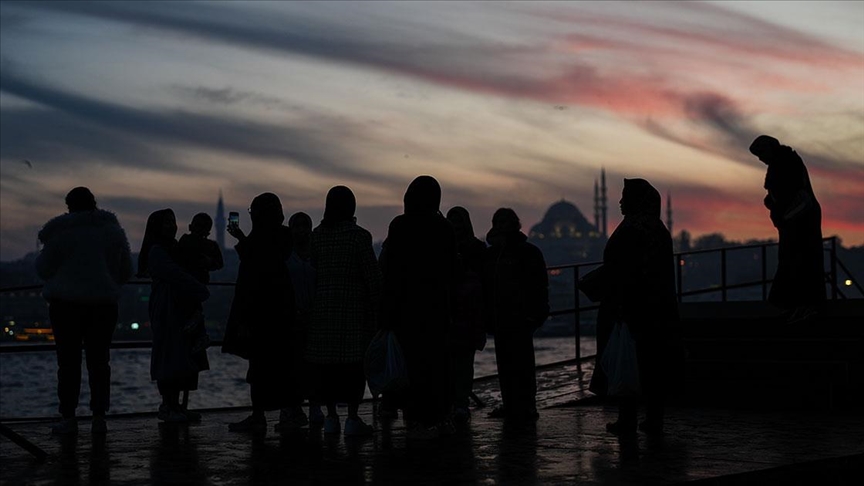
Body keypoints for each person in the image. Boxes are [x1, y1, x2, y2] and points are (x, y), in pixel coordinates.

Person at [35, 187, 133, 435]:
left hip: (66, 306)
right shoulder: (112, 232)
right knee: (99, 363)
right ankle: (99, 417)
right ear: (94, 203)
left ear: (69, 207)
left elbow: (43, 269)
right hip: (103, 305)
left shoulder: (61, 234)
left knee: (68, 363)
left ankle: (69, 418)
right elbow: (125, 271)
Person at [589, 178, 681, 437]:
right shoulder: (657, 229)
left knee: (629, 362)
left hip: (630, 308)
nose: (620, 202)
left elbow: (624, 269)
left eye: (625, 198)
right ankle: (654, 418)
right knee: (652, 365)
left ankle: (626, 419)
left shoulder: (632, 230)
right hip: (656, 309)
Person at [380, 176, 458, 439]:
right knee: (435, 363)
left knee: (410, 364)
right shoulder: (443, 227)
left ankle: (413, 419)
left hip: (404, 308)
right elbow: (451, 269)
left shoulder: (399, 225)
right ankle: (436, 417)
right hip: (435, 307)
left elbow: (389, 268)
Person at [222, 193, 302, 433]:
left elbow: (256, 268)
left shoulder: (260, 239)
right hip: (282, 310)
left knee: (259, 367)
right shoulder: (284, 236)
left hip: (259, 312)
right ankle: (289, 412)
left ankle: (259, 416)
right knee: (283, 364)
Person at [306, 187, 382, 436]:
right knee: (352, 367)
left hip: (321, 312)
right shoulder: (359, 237)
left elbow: (312, 273)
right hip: (352, 312)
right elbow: (372, 278)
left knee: (326, 368)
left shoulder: (317, 236)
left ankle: (330, 417)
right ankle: (352, 418)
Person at [138, 209, 210, 423]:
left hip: (178, 306)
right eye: (167, 222)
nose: (172, 225)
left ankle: (175, 405)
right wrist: (199, 289)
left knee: (180, 355)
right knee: (170, 355)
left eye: (173, 221)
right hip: (167, 307)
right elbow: (175, 274)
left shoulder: (172, 248)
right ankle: (168, 405)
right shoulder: (158, 251)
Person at [749, 135, 825, 323]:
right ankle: (797, 305)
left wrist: (777, 207)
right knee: (794, 260)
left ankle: (805, 305)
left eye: (761, 154)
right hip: (796, 219)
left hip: (799, 220)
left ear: (770, 149)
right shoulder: (785, 161)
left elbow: (789, 193)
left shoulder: (786, 163)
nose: (761, 159)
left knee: (801, 260)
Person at [482, 208, 549, 421]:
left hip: (521, 317)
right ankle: (511, 404)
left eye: (504, 222)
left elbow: (539, 286)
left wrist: (535, 315)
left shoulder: (527, 252)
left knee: (523, 364)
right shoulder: (492, 254)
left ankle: (527, 405)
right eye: (498, 222)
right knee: (505, 364)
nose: (501, 226)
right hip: (500, 318)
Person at [445, 206, 487, 424]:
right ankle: (453, 402)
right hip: (450, 312)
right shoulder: (444, 248)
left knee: (463, 361)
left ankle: (460, 402)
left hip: (467, 313)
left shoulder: (475, 249)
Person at [286, 212, 325, 428]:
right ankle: (293, 407)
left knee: (313, 365)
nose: (301, 230)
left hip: (314, 317)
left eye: (305, 226)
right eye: (297, 226)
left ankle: (315, 406)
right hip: (292, 317)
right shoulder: (285, 255)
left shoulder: (316, 254)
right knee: (294, 364)